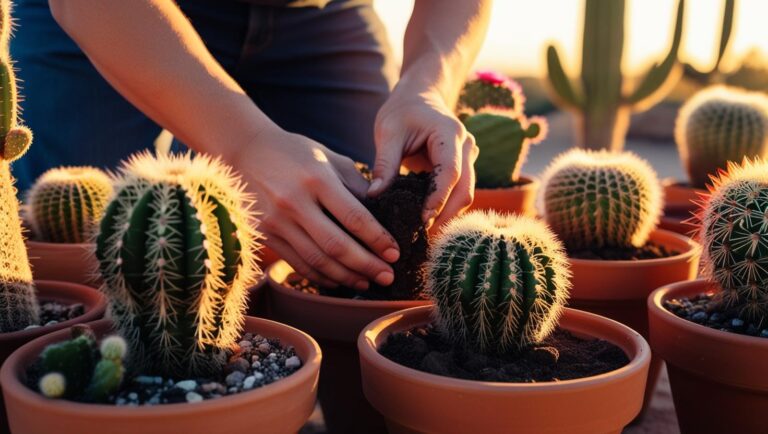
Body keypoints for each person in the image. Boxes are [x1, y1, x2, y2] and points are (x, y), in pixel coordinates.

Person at [12, 0, 491, 288]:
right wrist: (245, 144)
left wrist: (428, 82)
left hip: (320, 15)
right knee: (87, 256)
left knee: (362, 236)